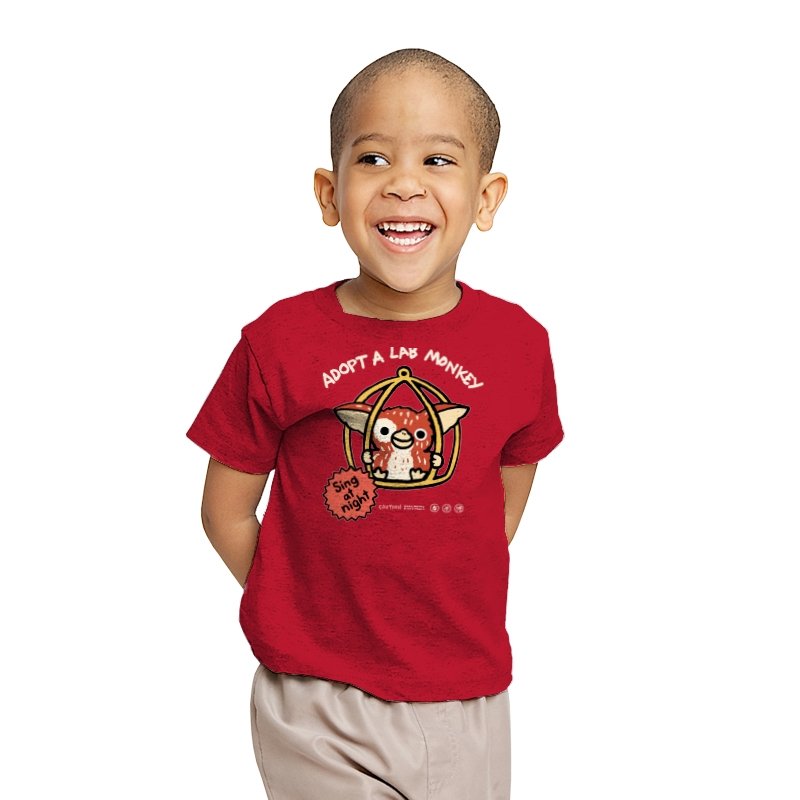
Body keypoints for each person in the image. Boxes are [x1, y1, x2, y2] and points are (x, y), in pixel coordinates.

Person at [187, 48, 564, 800]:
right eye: (373, 158)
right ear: (330, 193)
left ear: (486, 198)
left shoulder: (520, 345)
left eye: (437, 159)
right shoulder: (279, 341)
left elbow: (506, 490)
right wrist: (301, 606)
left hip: (467, 694)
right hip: (315, 697)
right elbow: (224, 511)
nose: (404, 182)